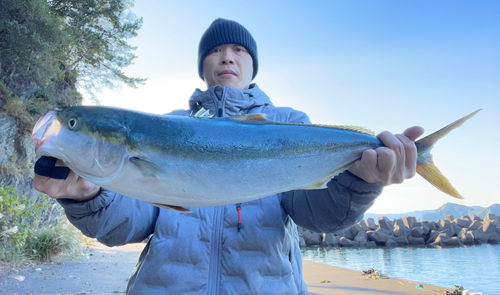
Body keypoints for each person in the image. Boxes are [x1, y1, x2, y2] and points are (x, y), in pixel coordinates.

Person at [34, 18, 423, 295]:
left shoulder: (288, 124)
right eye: (216, 51)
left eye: (238, 50)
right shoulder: (171, 124)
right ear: (203, 65)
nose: (227, 58)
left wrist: (360, 180)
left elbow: (318, 214)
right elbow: (128, 226)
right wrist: (86, 196)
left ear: (252, 65)